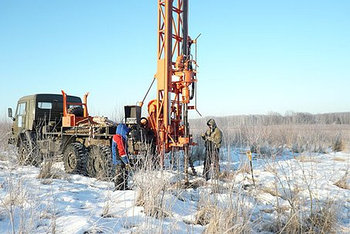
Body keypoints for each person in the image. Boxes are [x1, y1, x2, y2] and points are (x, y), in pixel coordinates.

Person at [112, 123, 131, 190]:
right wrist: (126, 162)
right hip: (119, 160)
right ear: (122, 131)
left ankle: (124, 187)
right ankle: (118, 189)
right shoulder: (118, 139)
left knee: (125, 173)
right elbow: (122, 151)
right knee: (120, 175)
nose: (127, 134)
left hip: (120, 159)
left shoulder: (119, 137)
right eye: (126, 133)